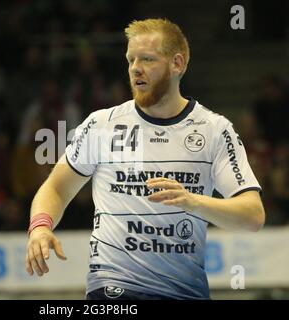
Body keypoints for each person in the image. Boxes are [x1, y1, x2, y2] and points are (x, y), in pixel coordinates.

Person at [25, 18, 265, 300]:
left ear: (177, 64)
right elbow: (56, 187)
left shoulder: (214, 130)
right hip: (113, 287)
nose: (135, 68)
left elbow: (252, 215)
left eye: (148, 59)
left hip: (185, 292)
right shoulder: (102, 125)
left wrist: (195, 202)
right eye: (130, 60)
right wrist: (40, 227)